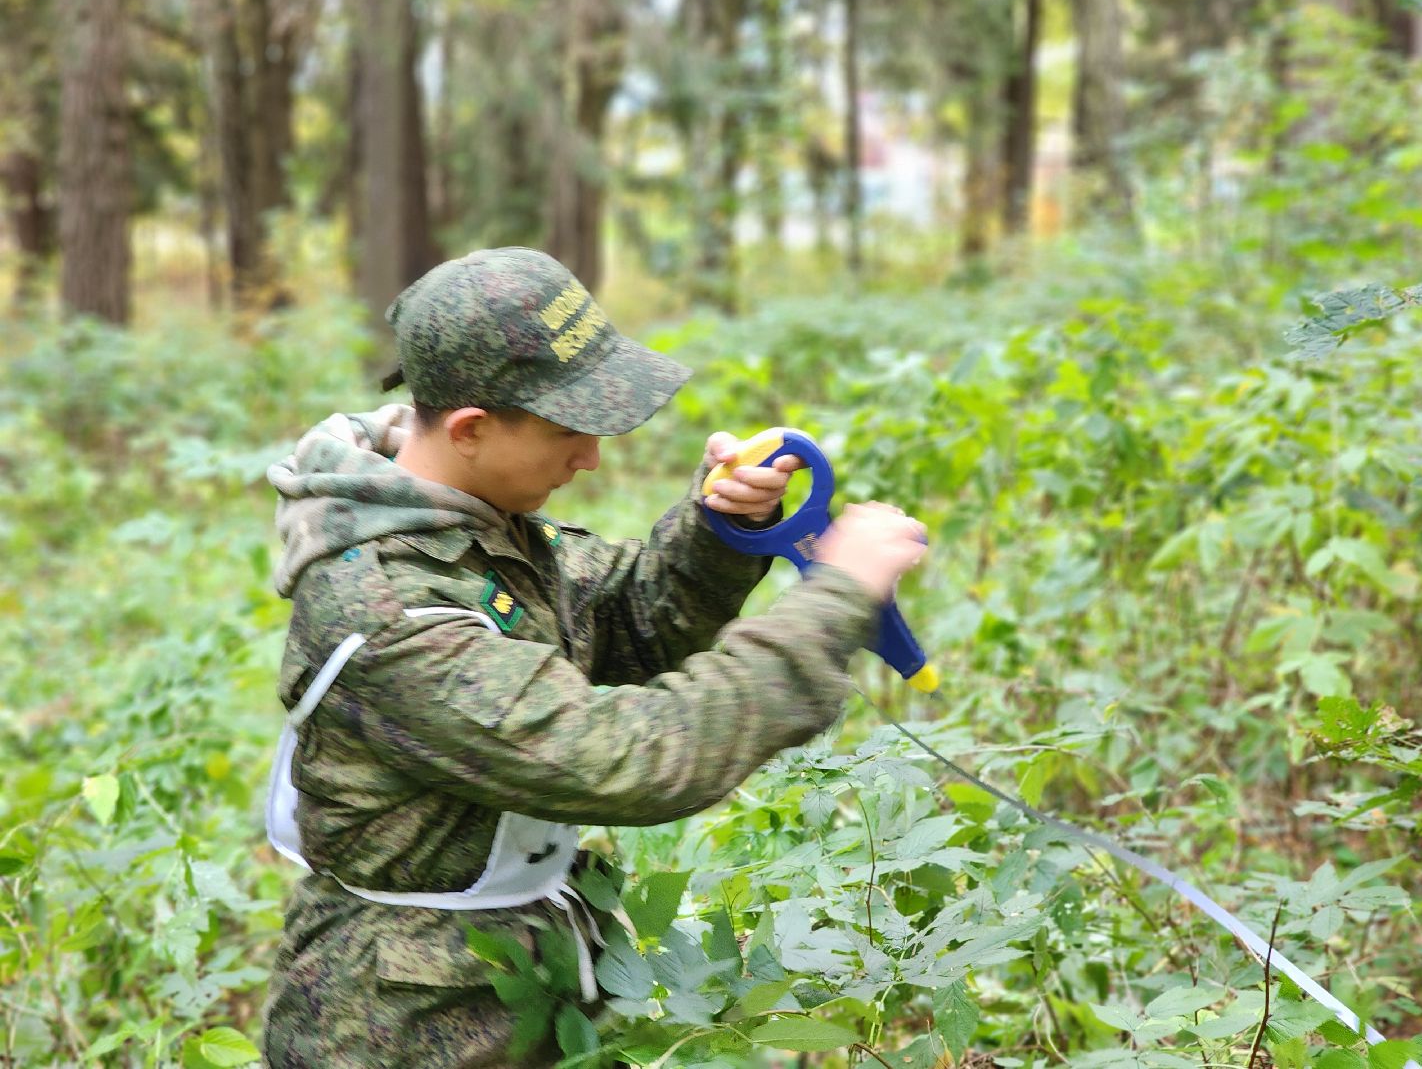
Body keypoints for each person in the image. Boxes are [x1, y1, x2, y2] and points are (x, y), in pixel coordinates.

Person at [260, 247, 928, 1068]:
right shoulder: (392, 613)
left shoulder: (471, 523)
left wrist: (723, 528)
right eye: (567, 432)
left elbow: (624, 621)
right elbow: (627, 758)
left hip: (509, 978)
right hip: (400, 1026)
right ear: (470, 430)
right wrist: (834, 601)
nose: (591, 458)